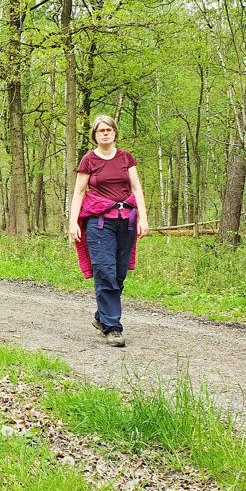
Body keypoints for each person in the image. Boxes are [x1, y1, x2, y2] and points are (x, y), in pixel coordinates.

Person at [68, 115, 149, 347]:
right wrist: (73, 222)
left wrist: (143, 218)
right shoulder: (89, 160)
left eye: (109, 129)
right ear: (94, 135)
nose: (105, 133)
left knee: (119, 273)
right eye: (100, 130)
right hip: (99, 223)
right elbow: (79, 193)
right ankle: (113, 327)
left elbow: (136, 188)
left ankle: (101, 317)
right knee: (105, 271)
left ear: (115, 133)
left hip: (127, 222)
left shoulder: (126, 158)